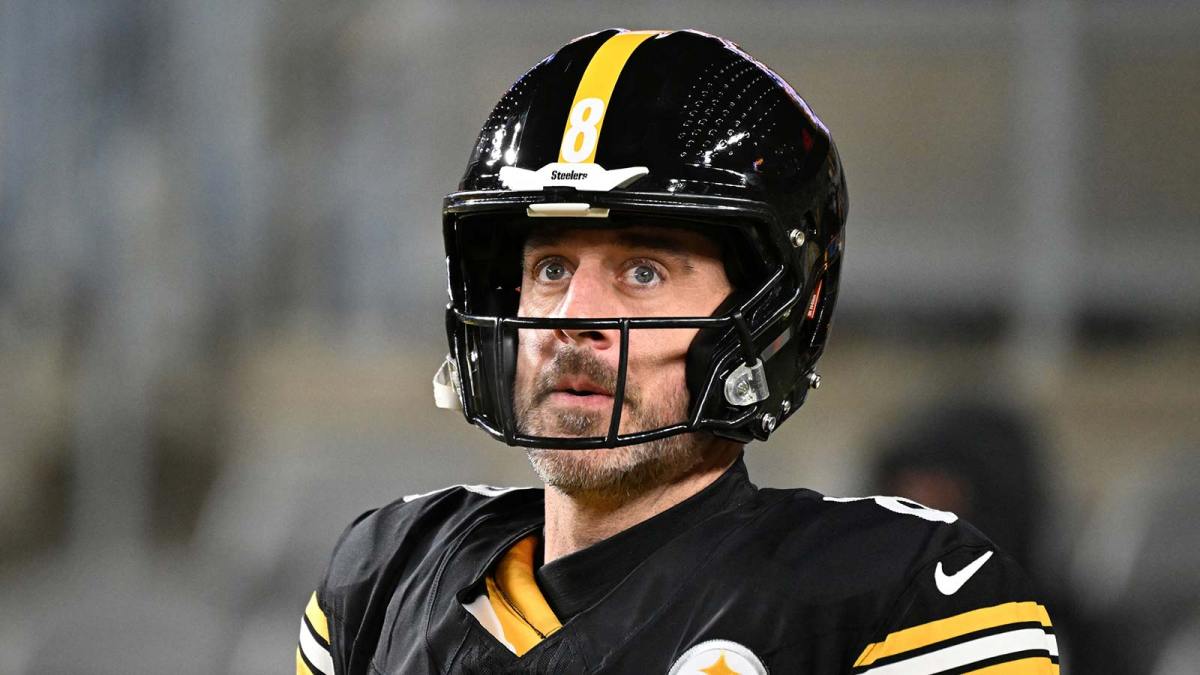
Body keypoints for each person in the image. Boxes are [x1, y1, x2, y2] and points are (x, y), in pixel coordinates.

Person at [295, 29, 1058, 674]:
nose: (574, 315)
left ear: (772, 312)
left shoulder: (900, 598)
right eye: (551, 267)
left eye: (643, 270)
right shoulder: (385, 574)